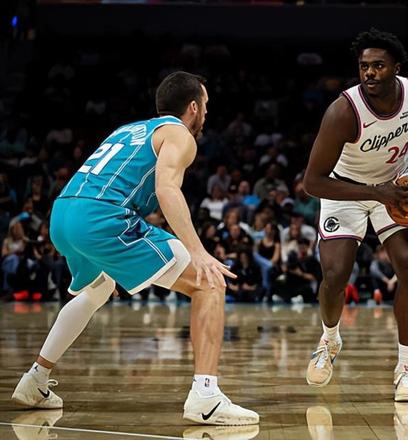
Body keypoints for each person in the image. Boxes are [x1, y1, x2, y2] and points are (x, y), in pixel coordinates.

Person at [11, 71, 259, 425]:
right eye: (205, 105)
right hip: (100, 218)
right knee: (209, 282)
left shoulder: (128, 129)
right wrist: (198, 251)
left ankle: (35, 380)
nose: (206, 112)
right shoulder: (180, 134)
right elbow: (166, 188)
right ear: (193, 107)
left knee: (97, 290)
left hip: (63, 213)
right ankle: (206, 398)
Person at [302, 28, 408, 401]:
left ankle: (406, 369)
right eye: (364, 66)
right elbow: (312, 182)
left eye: (378, 65)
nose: (369, 73)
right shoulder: (343, 112)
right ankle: (329, 339)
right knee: (335, 275)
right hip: (344, 188)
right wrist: (375, 193)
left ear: (396, 68)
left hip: (395, 184)